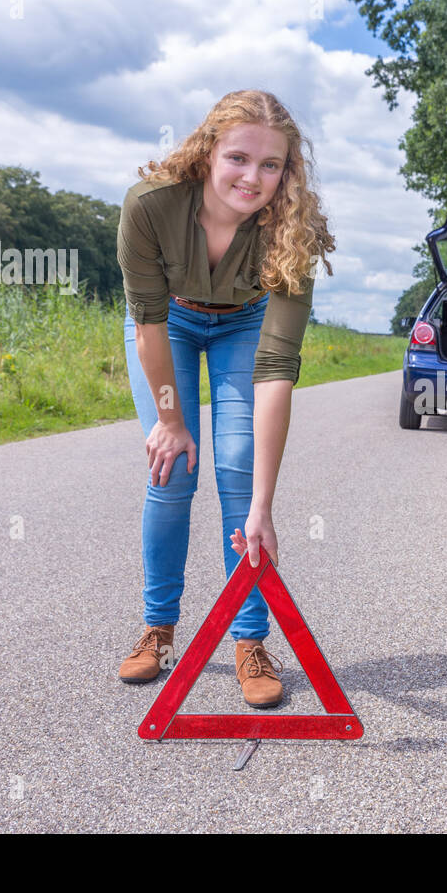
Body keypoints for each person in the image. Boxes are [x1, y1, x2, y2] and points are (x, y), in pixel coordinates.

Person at [115, 89, 335, 708]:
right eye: (239, 157)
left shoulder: (295, 232)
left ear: (288, 170)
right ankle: (159, 630)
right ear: (209, 150)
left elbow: (276, 369)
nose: (254, 178)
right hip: (170, 324)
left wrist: (265, 502)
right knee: (173, 470)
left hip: (247, 324)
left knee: (240, 476)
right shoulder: (150, 206)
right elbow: (149, 324)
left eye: (272, 166)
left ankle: (249, 640)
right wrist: (170, 420)